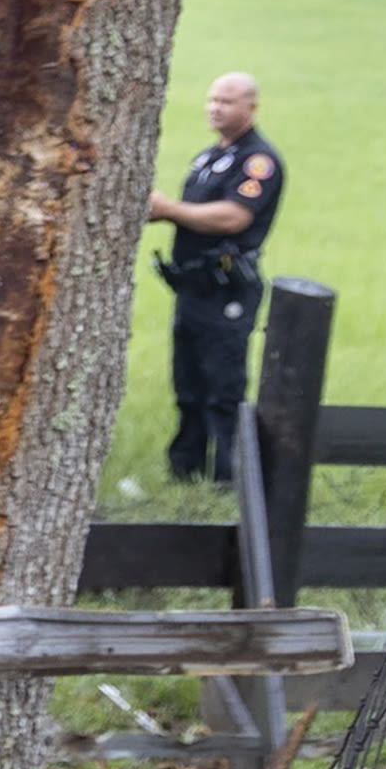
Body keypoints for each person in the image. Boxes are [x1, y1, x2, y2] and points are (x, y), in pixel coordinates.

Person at [148, 70, 285, 484]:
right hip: (191, 286)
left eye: (226, 101)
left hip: (226, 289)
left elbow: (234, 216)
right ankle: (183, 470)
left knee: (222, 387)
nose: (216, 108)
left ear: (251, 107)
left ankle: (230, 480)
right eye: (212, 100)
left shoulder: (257, 161)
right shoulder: (209, 157)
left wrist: (169, 209)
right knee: (187, 383)